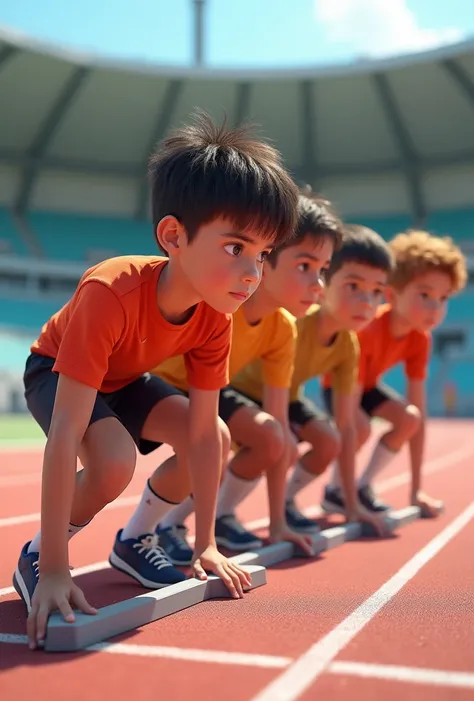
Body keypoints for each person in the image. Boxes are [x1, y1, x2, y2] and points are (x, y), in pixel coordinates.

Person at [14, 111, 300, 650]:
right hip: (56, 371)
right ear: (173, 236)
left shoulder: (218, 314)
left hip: (125, 378)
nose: (252, 274)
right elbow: (64, 436)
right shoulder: (110, 290)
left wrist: (206, 543)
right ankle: (37, 553)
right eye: (236, 248)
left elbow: (202, 425)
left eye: (262, 256)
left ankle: (136, 537)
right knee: (113, 460)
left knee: (213, 434)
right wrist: (55, 567)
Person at [148, 194, 343, 563]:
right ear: (266, 259)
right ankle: (163, 525)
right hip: (160, 380)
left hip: (208, 387)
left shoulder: (284, 328)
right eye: (304, 266)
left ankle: (219, 517)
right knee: (213, 442)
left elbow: (280, 422)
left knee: (273, 437)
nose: (318, 284)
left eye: (324, 269)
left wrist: (277, 523)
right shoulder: (218, 302)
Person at [230, 224, 394, 536]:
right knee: (284, 444)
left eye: (376, 292)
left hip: (285, 396)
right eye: (354, 287)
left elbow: (346, 427)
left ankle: (288, 502)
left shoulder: (348, 345)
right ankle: (223, 513)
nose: (367, 302)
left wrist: (351, 503)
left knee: (329, 439)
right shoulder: (297, 321)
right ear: (325, 284)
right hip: (243, 390)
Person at [322, 229, 467, 517]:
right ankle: (337, 492)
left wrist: (416, 490)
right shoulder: (368, 329)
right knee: (360, 427)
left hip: (368, 386)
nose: (434, 308)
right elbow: (349, 417)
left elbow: (420, 414)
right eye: (424, 295)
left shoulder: (419, 338)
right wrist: (349, 503)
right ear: (392, 293)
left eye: (443, 298)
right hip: (339, 384)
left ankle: (363, 488)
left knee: (409, 419)